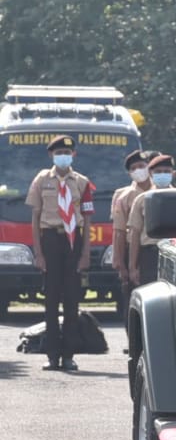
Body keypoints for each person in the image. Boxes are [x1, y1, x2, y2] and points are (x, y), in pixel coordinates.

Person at [26, 135, 94, 372]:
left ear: (74, 155)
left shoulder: (83, 182)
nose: (63, 156)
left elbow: (87, 219)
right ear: (51, 155)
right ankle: (52, 355)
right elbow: (35, 218)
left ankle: (69, 355)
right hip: (50, 239)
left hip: (72, 239)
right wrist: (38, 253)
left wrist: (85, 253)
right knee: (51, 299)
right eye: (58, 152)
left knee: (72, 299)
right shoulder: (41, 180)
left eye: (67, 152)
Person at [111, 149, 153, 312]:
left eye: (141, 166)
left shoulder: (161, 190)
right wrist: (121, 263)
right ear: (129, 173)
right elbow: (119, 231)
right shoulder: (124, 196)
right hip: (133, 250)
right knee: (133, 300)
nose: (139, 171)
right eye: (134, 168)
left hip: (156, 249)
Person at [127, 154, 176, 288]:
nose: (162, 175)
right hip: (149, 254)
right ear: (150, 174)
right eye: (158, 172)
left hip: (174, 253)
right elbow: (135, 234)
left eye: (166, 171)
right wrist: (133, 267)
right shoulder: (141, 200)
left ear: (173, 174)